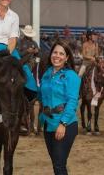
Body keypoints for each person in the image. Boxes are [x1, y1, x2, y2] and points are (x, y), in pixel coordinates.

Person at [39, 41, 81, 175]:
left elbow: (72, 102)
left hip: (65, 125)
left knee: (59, 165)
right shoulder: (47, 73)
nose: (57, 56)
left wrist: (63, 124)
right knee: (57, 165)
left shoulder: (71, 76)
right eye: (55, 52)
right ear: (51, 54)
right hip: (48, 124)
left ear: (67, 57)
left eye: (61, 53)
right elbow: (41, 96)